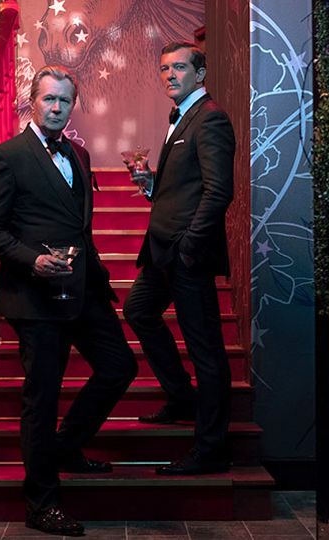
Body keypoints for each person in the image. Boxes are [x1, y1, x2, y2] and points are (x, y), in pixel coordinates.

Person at [0, 65, 137, 537]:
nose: (56, 107)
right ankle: (41, 504)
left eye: (64, 100)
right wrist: (32, 260)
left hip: (83, 287)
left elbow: (79, 225)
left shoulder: (78, 153)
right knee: (41, 400)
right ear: (33, 101)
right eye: (48, 99)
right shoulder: (7, 156)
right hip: (36, 296)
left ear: (73, 106)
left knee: (119, 367)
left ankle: (65, 447)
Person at [123, 42, 236, 475]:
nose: (170, 75)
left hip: (186, 254)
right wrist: (150, 183)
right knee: (139, 311)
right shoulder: (182, 116)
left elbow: (218, 191)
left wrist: (189, 246)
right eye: (164, 68)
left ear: (200, 74)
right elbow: (182, 189)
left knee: (206, 350)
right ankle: (182, 397)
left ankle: (211, 449)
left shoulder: (210, 118)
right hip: (161, 250)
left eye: (180, 67)